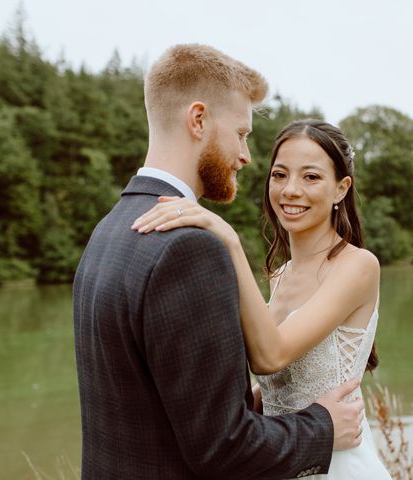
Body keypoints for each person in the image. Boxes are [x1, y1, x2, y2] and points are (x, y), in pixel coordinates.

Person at [73, 45, 365, 480]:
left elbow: (166, 392)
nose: (247, 156)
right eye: (242, 133)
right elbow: (225, 449)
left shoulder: (110, 229)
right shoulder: (188, 247)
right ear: (198, 120)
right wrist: (322, 427)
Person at [132, 119, 392, 479]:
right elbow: (277, 380)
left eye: (311, 177)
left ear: (340, 189)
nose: (291, 190)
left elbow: (271, 355)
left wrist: (228, 238)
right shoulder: (280, 275)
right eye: (280, 175)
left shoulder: (358, 266)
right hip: (285, 455)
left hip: (336, 465)